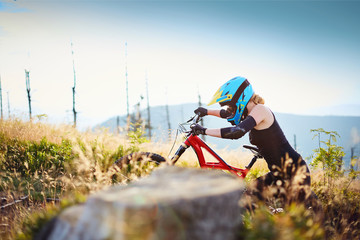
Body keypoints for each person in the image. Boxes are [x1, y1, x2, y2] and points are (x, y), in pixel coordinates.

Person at [191, 76, 312, 206]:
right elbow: (227, 114)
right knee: (247, 197)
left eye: (230, 105)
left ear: (240, 99)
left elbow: (237, 131)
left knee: (254, 205)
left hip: (294, 173)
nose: (230, 109)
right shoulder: (250, 112)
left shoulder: (260, 110)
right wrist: (206, 111)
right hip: (278, 174)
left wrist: (203, 130)